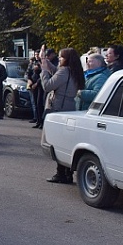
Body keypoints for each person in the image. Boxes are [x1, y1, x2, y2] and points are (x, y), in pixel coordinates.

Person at [41, 46, 84, 184]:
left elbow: (48, 86)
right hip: (70, 107)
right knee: (67, 142)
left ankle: (61, 173)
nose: (59, 59)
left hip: (59, 108)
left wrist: (44, 72)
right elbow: (58, 74)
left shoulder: (65, 71)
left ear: (66, 59)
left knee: (57, 142)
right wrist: (48, 65)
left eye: (61, 57)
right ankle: (66, 173)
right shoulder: (74, 71)